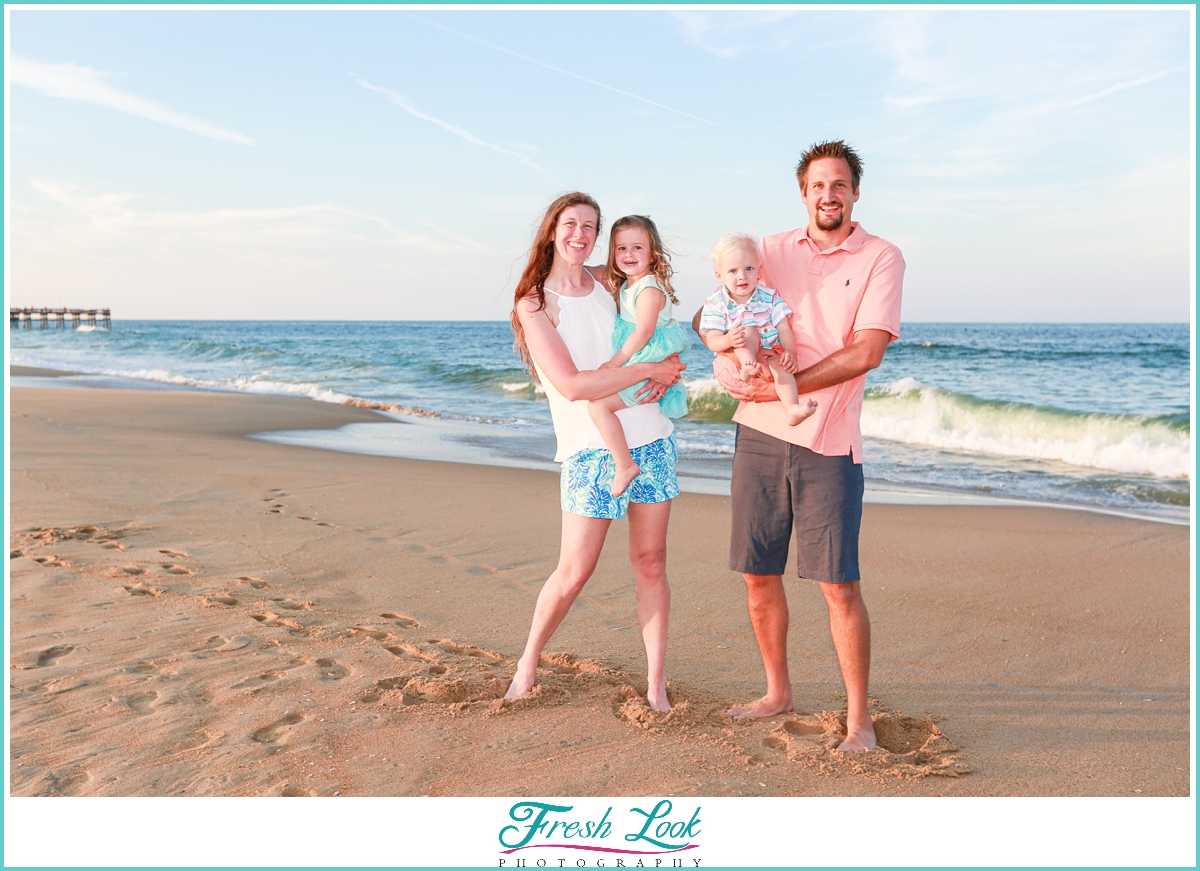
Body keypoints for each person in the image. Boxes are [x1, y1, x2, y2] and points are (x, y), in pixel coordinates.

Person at [695, 141, 904, 752]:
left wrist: (780, 388)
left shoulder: (881, 257)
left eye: (840, 185)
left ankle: (859, 718)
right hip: (759, 435)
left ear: (855, 193)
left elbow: (867, 351)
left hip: (829, 439)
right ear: (804, 192)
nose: (828, 195)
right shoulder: (773, 251)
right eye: (818, 185)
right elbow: (715, 305)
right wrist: (725, 360)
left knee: (838, 584)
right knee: (758, 573)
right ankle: (777, 691)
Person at [507, 192, 686, 713]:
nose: (580, 235)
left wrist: (671, 362)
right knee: (573, 571)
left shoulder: (614, 282)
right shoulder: (535, 303)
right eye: (571, 224)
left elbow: (657, 328)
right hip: (590, 453)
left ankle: (656, 682)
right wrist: (648, 371)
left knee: (651, 564)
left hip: (651, 438)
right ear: (552, 231)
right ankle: (528, 663)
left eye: (590, 226)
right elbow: (573, 385)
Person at [587, 215, 691, 498]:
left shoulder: (647, 288)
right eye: (621, 248)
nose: (628, 254)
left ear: (653, 252)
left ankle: (624, 465)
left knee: (598, 405)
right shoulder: (627, 285)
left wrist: (614, 363)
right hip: (642, 361)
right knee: (599, 403)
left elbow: (644, 333)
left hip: (644, 359)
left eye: (637, 248)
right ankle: (625, 462)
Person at [699, 232, 809, 426]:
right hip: (736, 359)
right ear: (719, 276)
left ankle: (792, 408)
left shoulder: (769, 297)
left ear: (759, 271)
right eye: (733, 271)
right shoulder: (716, 303)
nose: (742, 276)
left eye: (748, 268)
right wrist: (728, 340)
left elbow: (784, 329)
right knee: (748, 330)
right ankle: (747, 368)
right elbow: (713, 340)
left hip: (767, 355)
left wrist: (791, 352)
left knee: (782, 368)